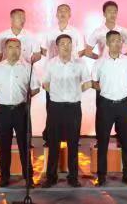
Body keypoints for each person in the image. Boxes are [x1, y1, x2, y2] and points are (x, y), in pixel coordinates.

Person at [41, 34, 92, 188]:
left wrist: (75, 92)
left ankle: (73, 177)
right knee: (53, 143)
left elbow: (87, 83)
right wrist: (57, 93)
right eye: (62, 43)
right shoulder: (50, 64)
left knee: (73, 143)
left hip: (73, 107)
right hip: (55, 107)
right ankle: (51, 177)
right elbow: (45, 84)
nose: (66, 46)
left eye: (69, 43)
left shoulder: (80, 63)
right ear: (57, 46)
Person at [92, 30, 127, 186]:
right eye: (113, 40)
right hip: (105, 105)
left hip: (123, 105)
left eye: (119, 40)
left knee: (126, 141)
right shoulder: (99, 62)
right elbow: (94, 82)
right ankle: (101, 176)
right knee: (103, 141)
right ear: (107, 43)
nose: (117, 43)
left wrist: (126, 87)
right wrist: (105, 89)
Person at [0, 38, 40, 187]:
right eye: (10, 47)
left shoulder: (28, 67)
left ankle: (28, 177)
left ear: (21, 49)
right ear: (5, 50)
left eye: (17, 47)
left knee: (25, 145)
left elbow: (35, 88)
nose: (14, 50)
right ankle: (4, 177)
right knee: (4, 146)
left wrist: (22, 98)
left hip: (21, 110)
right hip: (3, 111)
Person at [39, 4, 85, 146]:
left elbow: (81, 51)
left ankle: (72, 138)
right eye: (60, 11)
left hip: (71, 73)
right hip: (54, 74)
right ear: (56, 15)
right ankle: (51, 138)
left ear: (70, 14)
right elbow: (43, 50)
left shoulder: (76, 32)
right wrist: (54, 61)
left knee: (73, 109)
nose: (63, 13)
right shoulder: (49, 32)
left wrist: (70, 60)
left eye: (66, 11)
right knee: (51, 108)